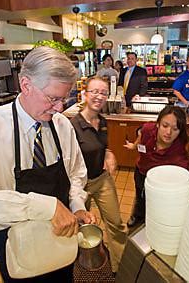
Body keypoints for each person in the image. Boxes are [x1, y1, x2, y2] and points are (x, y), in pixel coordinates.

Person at [0, 46, 96, 282]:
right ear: (26, 85)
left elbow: (76, 173)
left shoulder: (62, 126)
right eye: (53, 98)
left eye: (63, 99)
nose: (59, 108)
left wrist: (76, 204)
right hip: (15, 244)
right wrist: (44, 207)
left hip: (62, 236)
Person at [70, 76, 127, 273]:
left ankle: (121, 268)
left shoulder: (102, 121)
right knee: (79, 226)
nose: (99, 96)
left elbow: (101, 145)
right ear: (85, 94)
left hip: (102, 180)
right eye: (94, 91)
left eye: (103, 92)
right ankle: (79, 262)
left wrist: (109, 153)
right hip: (80, 185)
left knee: (117, 225)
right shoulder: (73, 126)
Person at [123, 106, 189, 227]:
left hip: (159, 184)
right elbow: (141, 137)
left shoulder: (179, 155)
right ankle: (137, 216)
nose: (168, 132)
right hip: (142, 171)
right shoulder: (148, 129)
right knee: (140, 196)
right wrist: (134, 146)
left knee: (154, 204)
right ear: (158, 124)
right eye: (165, 125)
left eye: (175, 129)